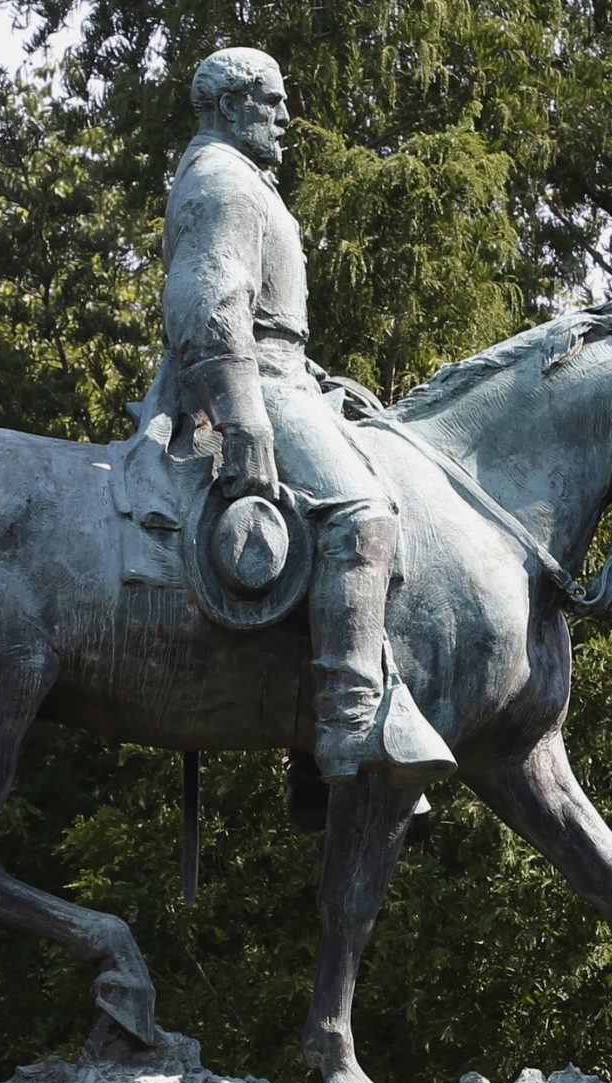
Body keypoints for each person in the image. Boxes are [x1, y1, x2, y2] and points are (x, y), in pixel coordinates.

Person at [155, 46, 453, 786]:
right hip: (259, 381)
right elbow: (207, 306)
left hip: (287, 375)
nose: (287, 116)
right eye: (271, 101)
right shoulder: (224, 182)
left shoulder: (242, 179)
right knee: (362, 516)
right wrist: (242, 415)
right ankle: (346, 724)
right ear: (228, 108)